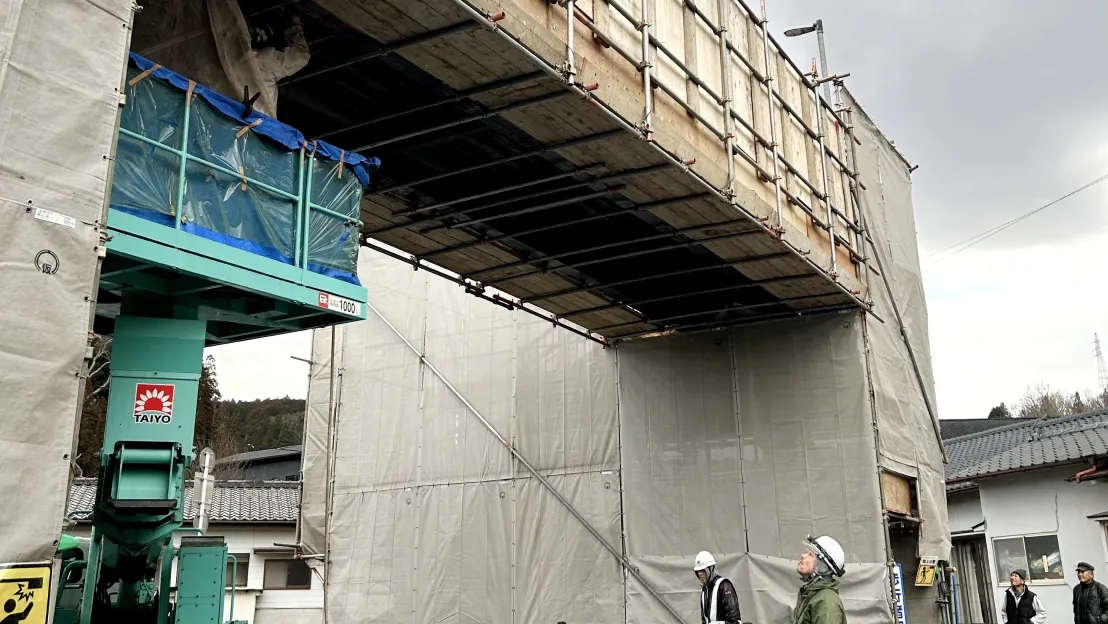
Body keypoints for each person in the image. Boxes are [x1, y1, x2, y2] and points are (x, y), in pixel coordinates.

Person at [792, 535, 847, 624]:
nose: (803, 556)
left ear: (822, 567)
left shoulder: (826, 602)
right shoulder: (812, 595)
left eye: (810, 554)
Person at [693, 551, 741, 624]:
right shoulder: (704, 589)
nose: (700, 574)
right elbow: (704, 619)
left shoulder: (724, 586)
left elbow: (734, 619)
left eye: (703, 570)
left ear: (711, 569)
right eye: (698, 571)